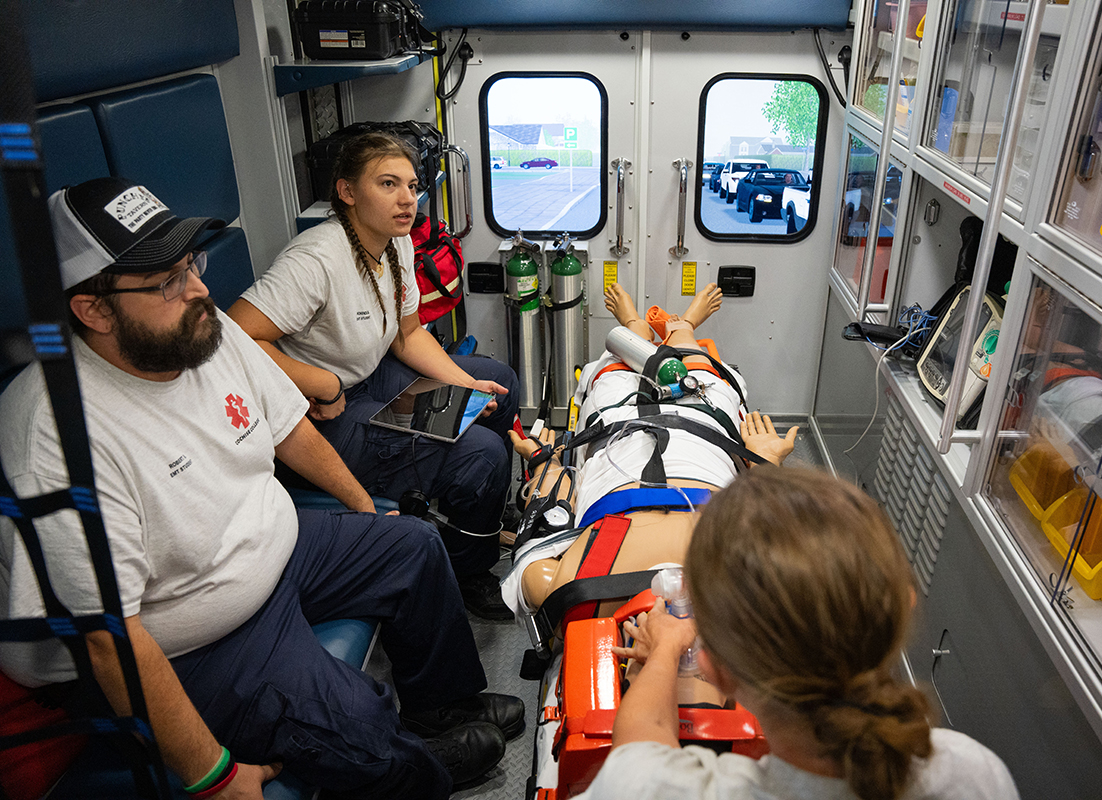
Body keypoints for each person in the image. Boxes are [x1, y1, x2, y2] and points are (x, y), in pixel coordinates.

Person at [0, 177, 523, 800]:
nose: (198, 289)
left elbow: (288, 429)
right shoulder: (56, 434)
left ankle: (441, 708)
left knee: (411, 545)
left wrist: (365, 516)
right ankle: (413, 766)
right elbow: (107, 638)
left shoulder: (203, 328)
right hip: (184, 635)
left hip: (269, 544)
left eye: (190, 264)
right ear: (93, 309)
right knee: (356, 725)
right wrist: (212, 780)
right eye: (166, 282)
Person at [581, 467, 1021, 800]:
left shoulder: (653, 788)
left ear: (713, 668)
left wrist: (664, 648)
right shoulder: (976, 774)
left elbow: (640, 742)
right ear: (903, 604)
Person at [228, 132, 518, 620]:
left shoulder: (394, 242)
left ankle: (476, 514)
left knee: (497, 384)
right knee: (482, 455)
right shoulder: (315, 260)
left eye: (411, 184)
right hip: (323, 409)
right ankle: (470, 569)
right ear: (347, 192)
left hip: (374, 373)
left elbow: (406, 335)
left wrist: (466, 386)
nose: (407, 199)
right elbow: (234, 337)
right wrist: (319, 383)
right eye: (388, 184)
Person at [502, 282, 798, 616]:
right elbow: (779, 524)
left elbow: (549, 513)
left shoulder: (573, 591)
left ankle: (635, 326)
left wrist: (544, 461)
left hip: (618, 439)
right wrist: (766, 461)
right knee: (699, 375)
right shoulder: (762, 590)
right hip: (702, 446)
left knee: (617, 374)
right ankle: (681, 328)